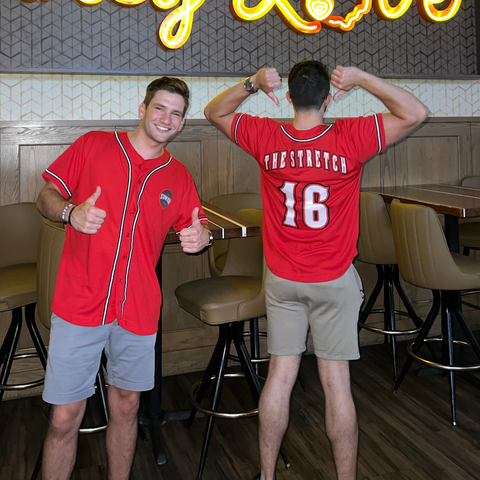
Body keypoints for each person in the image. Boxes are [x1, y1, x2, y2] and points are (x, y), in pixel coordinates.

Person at [204, 61, 429, 480]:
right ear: (329, 99)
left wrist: (252, 84)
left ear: (288, 97)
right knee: (336, 384)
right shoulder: (351, 136)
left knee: (280, 377)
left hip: (283, 279)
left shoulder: (266, 135)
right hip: (333, 280)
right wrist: (362, 79)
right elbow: (416, 113)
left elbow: (214, 112)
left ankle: (267, 475)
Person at [36, 76, 212, 480]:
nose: (167, 118)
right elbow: (46, 194)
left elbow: (197, 222)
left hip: (138, 309)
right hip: (80, 303)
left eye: (177, 113)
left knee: (128, 408)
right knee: (64, 418)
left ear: (183, 123)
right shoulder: (94, 144)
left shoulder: (178, 175)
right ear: (142, 109)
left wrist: (200, 236)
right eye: (160, 108)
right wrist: (70, 213)